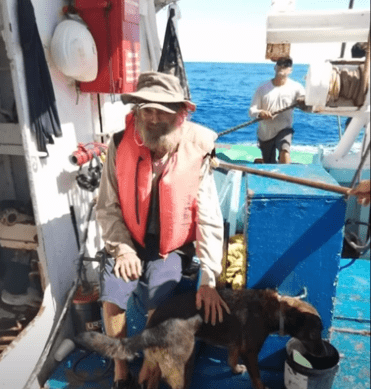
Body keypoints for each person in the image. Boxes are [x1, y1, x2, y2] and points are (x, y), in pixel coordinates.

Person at [95, 71, 230, 389]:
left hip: (171, 247)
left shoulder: (196, 153)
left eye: (163, 109)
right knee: (112, 294)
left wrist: (209, 276)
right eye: (147, 109)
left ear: (180, 114)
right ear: (137, 111)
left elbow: (209, 217)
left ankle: (151, 371)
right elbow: (107, 207)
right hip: (128, 239)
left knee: (159, 304)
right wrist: (122, 247)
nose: (154, 117)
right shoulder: (118, 144)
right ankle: (120, 369)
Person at [249, 57, 305, 164]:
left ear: (290, 70)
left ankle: (285, 178)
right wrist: (260, 112)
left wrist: (303, 101)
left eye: (286, 65)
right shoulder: (262, 88)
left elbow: (306, 101)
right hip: (265, 133)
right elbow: (252, 110)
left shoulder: (297, 87)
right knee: (269, 163)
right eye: (280, 64)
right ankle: (263, 162)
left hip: (284, 129)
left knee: (285, 150)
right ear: (275, 67)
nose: (282, 67)